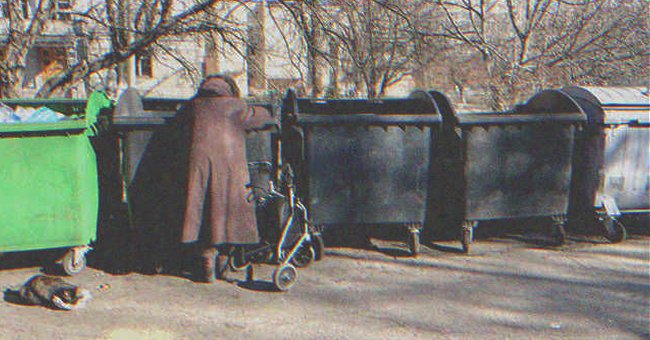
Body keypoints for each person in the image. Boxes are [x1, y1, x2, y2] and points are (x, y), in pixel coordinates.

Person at [180, 74, 267, 282]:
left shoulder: (193, 106)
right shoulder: (236, 106)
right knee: (229, 211)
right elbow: (260, 118)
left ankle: (207, 256)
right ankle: (226, 263)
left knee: (203, 208)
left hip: (199, 163)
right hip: (230, 165)